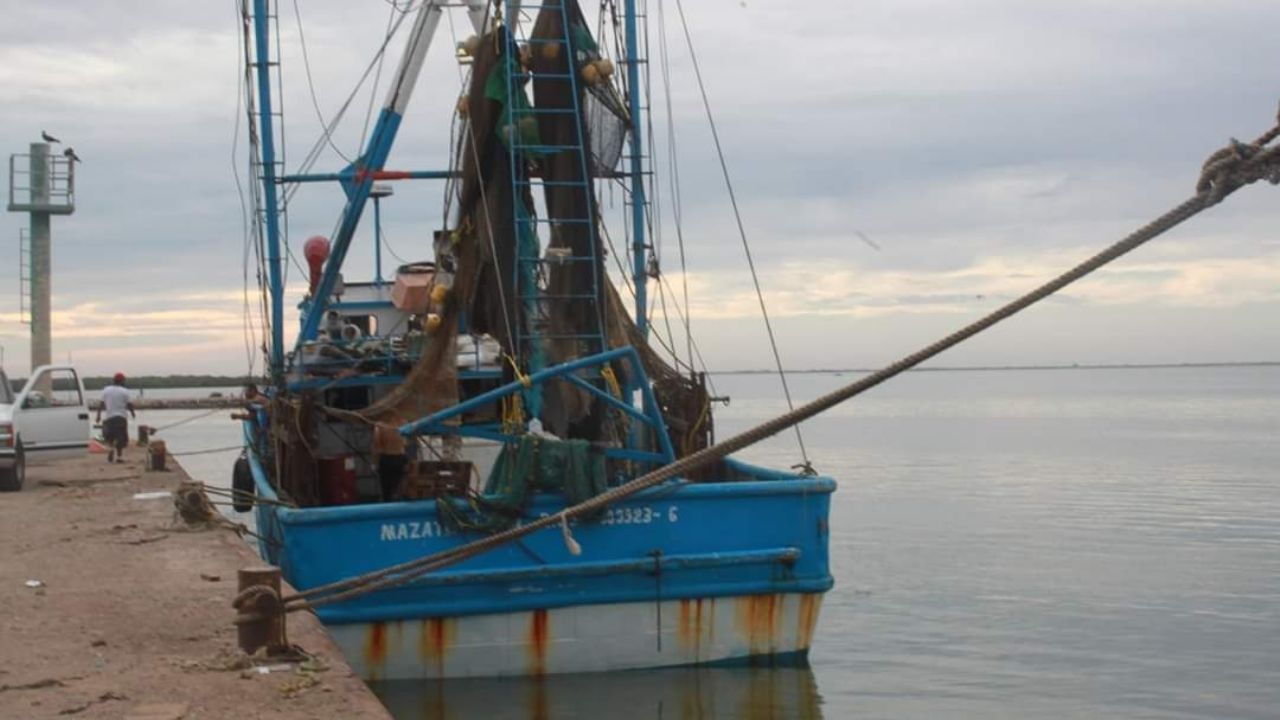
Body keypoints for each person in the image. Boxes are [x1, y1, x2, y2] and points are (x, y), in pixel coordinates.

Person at [97, 372, 136, 464]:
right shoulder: (125, 391)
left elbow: (101, 404)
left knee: (110, 436)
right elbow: (129, 404)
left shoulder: (106, 390)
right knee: (121, 438)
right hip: (121, 417)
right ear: (122, 381)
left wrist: (98, 415)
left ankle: (111, 449)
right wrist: (133, 413)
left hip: (109, 417)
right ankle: (119, 457)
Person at [372, 417, 409, 502]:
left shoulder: (380, 425)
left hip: (386, 458)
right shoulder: (403, 423)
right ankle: (399, 502)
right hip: (400, 457)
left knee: (386, 489)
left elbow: (376, 443)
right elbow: (406, 442)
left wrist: (374, 462)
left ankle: (388, 504)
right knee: (399, 485)